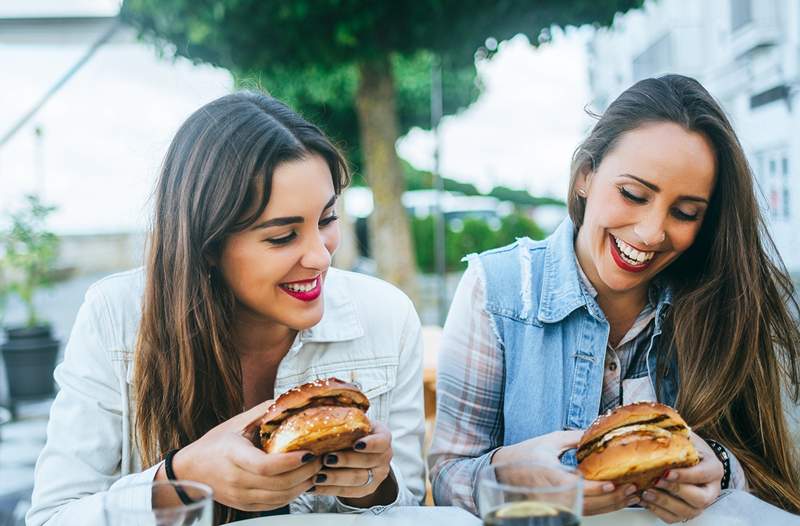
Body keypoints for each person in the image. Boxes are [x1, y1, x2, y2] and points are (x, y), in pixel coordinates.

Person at [27, 92, 425, 525]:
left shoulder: (387, 316)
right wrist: (178, 481)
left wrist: (372, 485)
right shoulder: (115, 318)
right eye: (282, 237)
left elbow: (409, 507)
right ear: (208, 244)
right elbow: (53, 517)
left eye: (327, 220)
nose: (322, 256)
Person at [428, 74, 800, 523]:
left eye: (685, 213)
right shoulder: (498, 288)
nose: (650, 232)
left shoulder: (724, 300)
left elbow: (771, 479)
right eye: (633, 194)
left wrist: (722, 470)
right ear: (586, 175)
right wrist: (506, 475)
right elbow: (447, 477)